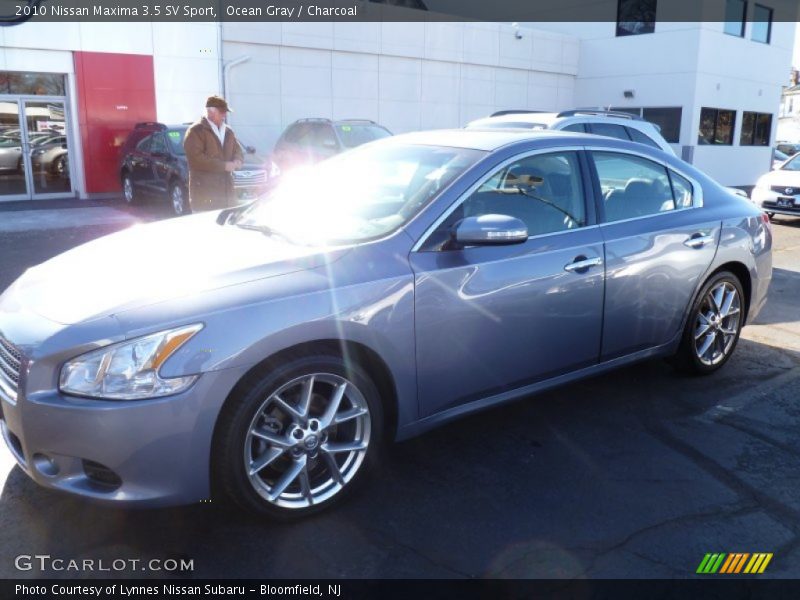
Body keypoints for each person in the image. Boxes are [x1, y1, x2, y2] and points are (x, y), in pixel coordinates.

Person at [183, 95, 244, 212]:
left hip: (227, 197)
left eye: (225, 112)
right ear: (210, 112)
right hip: (205, 197)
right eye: (221, 112)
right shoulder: (195, 131)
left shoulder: (228, 131)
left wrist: (238, 160)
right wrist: (224, 166)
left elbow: (238, 150)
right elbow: (196, 160)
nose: (224, 115)